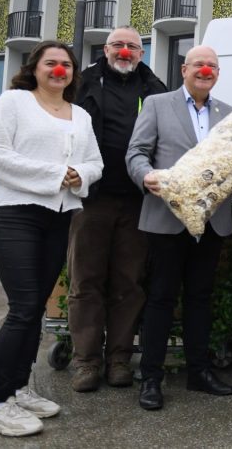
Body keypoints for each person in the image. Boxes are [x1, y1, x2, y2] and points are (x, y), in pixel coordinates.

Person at [0, 41, 104, 436]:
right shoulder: (13, 103)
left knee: (35, 311)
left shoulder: (80, 114)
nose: (59, 69)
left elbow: (96, 162)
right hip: (14, 212)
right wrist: (56, 174)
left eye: (66, 64)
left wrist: (78, 175)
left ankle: (19, 388)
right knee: (24, 306)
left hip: (59, 215)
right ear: (34, 68)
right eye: (51, 63)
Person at [126, 45, 232, 410]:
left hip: (212, 220)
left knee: (200, 299)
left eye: (212, 66)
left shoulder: (228, 114)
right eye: (199, 65)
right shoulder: (158, 104)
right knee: (160, 298)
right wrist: (147, 176)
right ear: (184, 69)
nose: (206, 70)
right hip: (166, 218)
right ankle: (151, 378)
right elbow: (136, 152)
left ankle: (198, 373)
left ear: (218, 73)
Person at [68, 26, 167, 392]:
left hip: (137, 201)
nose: (125, 52)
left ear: (142, 53)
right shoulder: (84, 83)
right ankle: (87, 362)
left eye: (132, 47)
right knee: (86, 281)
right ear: (105, 49)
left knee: (129, 282)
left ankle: (120, 359)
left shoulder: (155, 88)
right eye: (118, 45)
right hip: (90, 199)